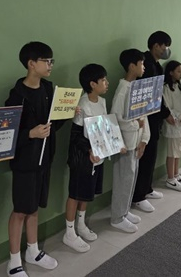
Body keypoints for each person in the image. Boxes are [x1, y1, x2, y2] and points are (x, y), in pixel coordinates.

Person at [4, 42, 65, 277]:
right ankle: (13, 262)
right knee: (20, 210)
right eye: (46, 61)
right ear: (31, 64)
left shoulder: (49, 88)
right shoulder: (17, 96)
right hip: (25, 163)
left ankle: (33, 250)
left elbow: (52, 124)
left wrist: (68, 113)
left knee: (34, 207)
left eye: (51, 61)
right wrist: (30, 133)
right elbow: (8, 135)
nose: (50, 65)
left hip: (45, 160)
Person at [63, 63, 114, 253]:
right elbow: (76, 135)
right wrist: (89, 150)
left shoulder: (102, 102)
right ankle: (69, 232)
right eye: (103, 80)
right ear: (92, 84)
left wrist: (114, 144)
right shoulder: (82, 104)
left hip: (98, 155)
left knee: (86, 193)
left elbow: (104, 127)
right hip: (82, 158)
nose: (107, 83)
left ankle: (81, 224)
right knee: (75, 194)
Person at [132, 31, 174, 212]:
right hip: (146, 117)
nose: (166, 50)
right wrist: (166, 113)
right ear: (156, 45)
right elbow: (151, 94)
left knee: (151, 155)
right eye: (165, 46)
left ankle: (147, 188)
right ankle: (138, 196)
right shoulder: (147, 65)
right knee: (146, 157)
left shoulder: (156, 65)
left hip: (155, 116)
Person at [110, 49, 150, 232]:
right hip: (125, 144)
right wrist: (135, 124)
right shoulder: (122, 90)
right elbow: (116, 117)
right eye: (141, 64)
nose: (144, 67)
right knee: (123, 179)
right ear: (132, 66)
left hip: (135, 141)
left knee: (131, 177)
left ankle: (124, 211)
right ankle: (117, 217)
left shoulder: (136, 88)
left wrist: (143, 139)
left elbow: (144, 114)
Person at [162, 60, 181, 192]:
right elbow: (168, 107)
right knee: (172, 153)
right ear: (170, 72)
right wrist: (179, 117)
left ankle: (176, 175)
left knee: (178, 151)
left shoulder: (177, 85)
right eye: (178, 71)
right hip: (173, 123)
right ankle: (170, 179)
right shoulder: (165, 88)